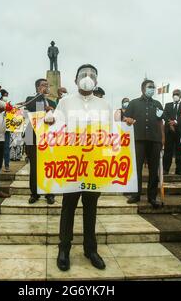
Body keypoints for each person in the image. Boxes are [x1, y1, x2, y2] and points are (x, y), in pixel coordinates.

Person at [52, 64, 111, 272]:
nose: (88, 78)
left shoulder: (104, 105)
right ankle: (64, 249)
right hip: (71, 164)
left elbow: (111, 132)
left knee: (91, 207)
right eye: (83, 75)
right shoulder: (65, 103)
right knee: (68, 206)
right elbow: (55, 127)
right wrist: (50, 120)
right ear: (75, 80)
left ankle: (90, 249)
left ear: (97, 80)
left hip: (95, 165)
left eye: (92, 75)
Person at [124, 79, 165, 208]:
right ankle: (135, 195)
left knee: (154, 170)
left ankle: (152, 197)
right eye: (150, 87)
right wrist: (127, 119)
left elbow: (160, 122)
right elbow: (125, 118)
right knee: (136, 168)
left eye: (153, 87)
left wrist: (163, 138)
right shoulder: (133, 103)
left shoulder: (158, 104)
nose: (152, 89)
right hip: (138, 139)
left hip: (155, 140)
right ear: (143, 89)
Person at [24, 79, 57, 205]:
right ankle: (34, 193)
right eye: (43, 85)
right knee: (34, 167)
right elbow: (32, 109)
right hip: (33, 138)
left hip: (48, 138)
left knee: (49, 166)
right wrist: (41, 97)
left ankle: (50, 194)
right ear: (37, 87)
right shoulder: (31, 99)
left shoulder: (53, 102)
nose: (46, 87)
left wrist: (52, 112)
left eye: (47, 85)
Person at [163, 89, 181, 176]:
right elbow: (164, 115)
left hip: (180, 131)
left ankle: (179, 170)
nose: (175, 95)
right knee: (168, 151)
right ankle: (165, 170)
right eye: (174, 94)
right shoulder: (167, 105)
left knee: (180, 151)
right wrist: (170, 123)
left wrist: (176, 122)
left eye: (177, 94)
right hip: (169, 131)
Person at [1, 89, 11, 172]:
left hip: (7, 130)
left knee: (6, 148)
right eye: (5, 95)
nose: (6, 97)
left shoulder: (9, 105)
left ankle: (7, 165)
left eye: (7, 95)